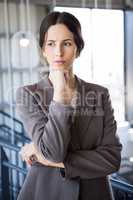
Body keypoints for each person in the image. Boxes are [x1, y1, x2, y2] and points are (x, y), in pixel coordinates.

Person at [16, 11, 122, 200]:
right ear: (43, 50)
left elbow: (112, 160)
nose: (58, 52)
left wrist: (42, 155)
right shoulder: (28, 94)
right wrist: (60, 97)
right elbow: (54, 153)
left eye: (66, 43)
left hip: (95, 194)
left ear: (78, 49)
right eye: (51, 44)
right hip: (47, 193)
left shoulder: (99, 94)